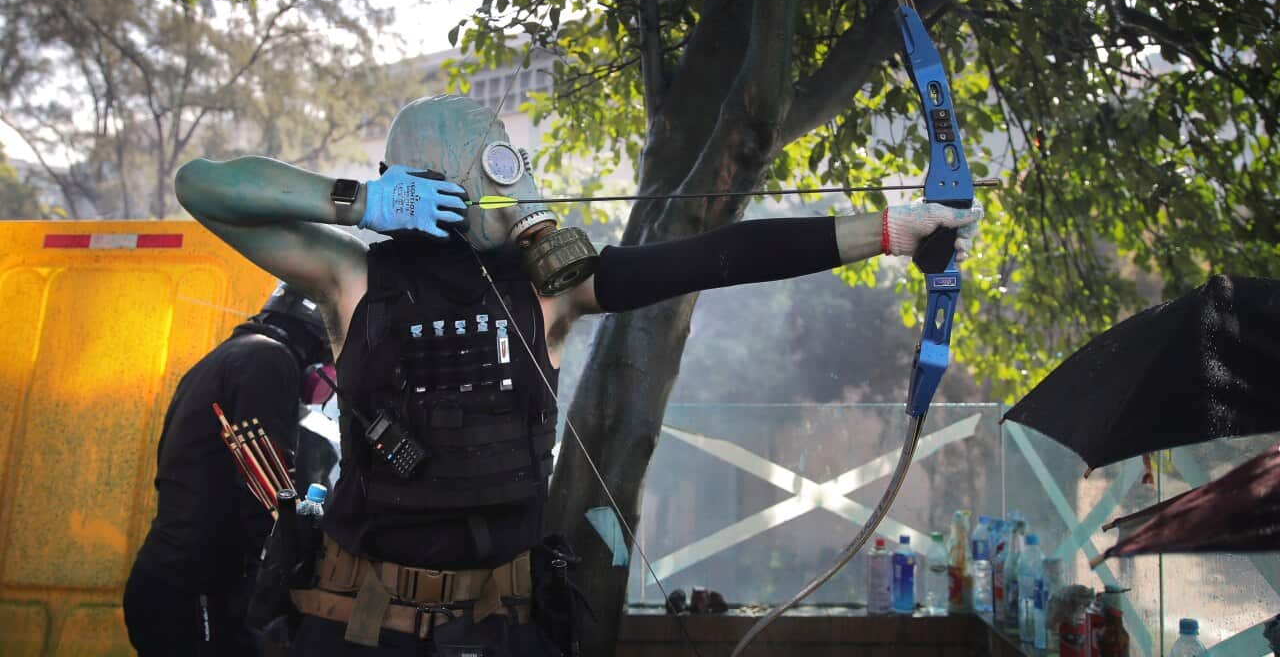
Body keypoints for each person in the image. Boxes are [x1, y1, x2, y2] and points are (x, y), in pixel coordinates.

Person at [174, 94, 982, 655]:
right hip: (361, 631)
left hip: (503, 630)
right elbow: (203, 187)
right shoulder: (352, 278)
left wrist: (893, 230)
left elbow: (713, 259)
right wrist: (358, 200)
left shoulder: (549, 290)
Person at [125, 284, 333, 656]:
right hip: (195, 592)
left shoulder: (228, 356)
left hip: (170, 581)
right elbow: (265, 487)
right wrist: (295, 572)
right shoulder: (268, 360)